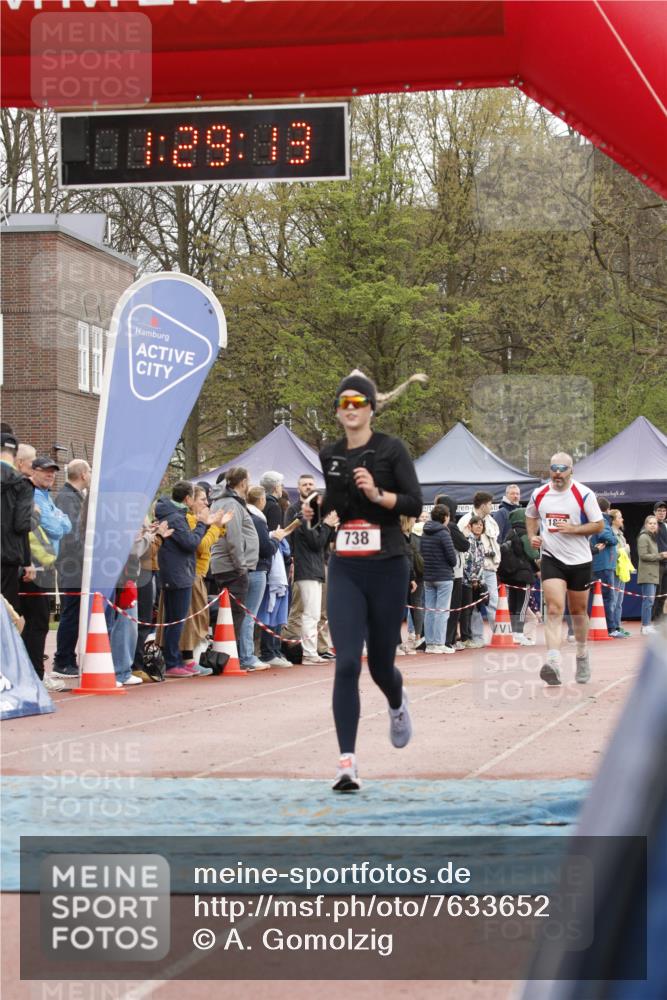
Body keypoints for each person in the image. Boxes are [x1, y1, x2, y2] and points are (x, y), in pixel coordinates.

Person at [318, 372, 422, 791]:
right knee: (346, 662)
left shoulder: (391, 449)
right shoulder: (330, 454)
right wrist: (315, 506)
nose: (351, 408)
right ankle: (347, 762)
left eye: (359, 401)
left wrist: (379, 495)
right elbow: (334, 504)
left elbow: (415, 500)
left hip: (387, 564)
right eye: (344, 401)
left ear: (371, 408)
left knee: (381, 666)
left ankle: (397, 702)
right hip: (345, 565)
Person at [525, 452, 604, 685]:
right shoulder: (539, 494)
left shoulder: (584, 493)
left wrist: (573, 529)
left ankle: (581, 655)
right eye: (553, 468)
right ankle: (553, 663)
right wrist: (533, 536)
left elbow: (599, 525)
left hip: (580, 560)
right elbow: (530, 516)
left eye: (562, 468)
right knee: (554, 609)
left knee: (578, 612)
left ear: (571, 471)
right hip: (552, 557)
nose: (557, 473)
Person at [154, 481, 217, 678]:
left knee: (176, 619)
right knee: (177, 620)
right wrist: (202, 524)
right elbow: (191, 543)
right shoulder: (176, 517)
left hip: (176, 571)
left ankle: (176, 660)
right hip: (178, 574)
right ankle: (173, 662)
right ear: (188, 499)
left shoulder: (173, 515)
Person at [209, 467, 259, 647]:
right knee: (234, 614)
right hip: (232, 567)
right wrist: (241, 567)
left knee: (227, 613)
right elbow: (234, 537)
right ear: (243, 482)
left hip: (225, 565)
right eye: (249, 480)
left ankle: (224, 654)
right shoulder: (231, 503)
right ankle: (227, 655)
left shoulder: (223, 501)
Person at [52, 459, 91, 679]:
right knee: (71, 612)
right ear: (83, 474)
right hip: (72, 564)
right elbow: (73, 533)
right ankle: (63, 659)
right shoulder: (68, 499)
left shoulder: (73, 497)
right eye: (90, 471)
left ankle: (67, 658)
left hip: (75, 563)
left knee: (75, 612)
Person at [0, 432, 34, 611]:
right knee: (7, 612)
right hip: (8, 556)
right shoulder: (22, 484)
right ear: (15, 457)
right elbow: (22, 525)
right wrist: (27, 561)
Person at [458, 492, 500, 632]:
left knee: (493, 601)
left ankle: (498, 633)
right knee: (474, 605)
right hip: (472, 570)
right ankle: (477, 637)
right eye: (489, 504)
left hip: (489, 568)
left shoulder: (491, 521)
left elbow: (495, 543)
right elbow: (462, 546)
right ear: (483, 505)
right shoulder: (465, 521)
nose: (491, 506)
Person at [498, 507, 539, 644]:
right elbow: (533, 554)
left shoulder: (509, 533)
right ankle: (519, 633)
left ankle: (512, 633)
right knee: (521, 606)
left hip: (509, 575)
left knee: (512, 605)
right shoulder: (525, 534)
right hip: (523, 575)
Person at [420, 504, 457, 654]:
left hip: (428, 576)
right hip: (443, 576)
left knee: (429, 610)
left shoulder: (424, 532)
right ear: (445, 517)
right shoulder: (444, 533)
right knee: (442, 611)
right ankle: (439, 643)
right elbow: (452, 558)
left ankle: (430, 643)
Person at [435, 493, 469, 651]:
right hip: (453, 572)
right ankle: (448, 639)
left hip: (436, 570)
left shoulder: (432, 525)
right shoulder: (451, 527)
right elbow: (464, 545)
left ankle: (436, 639)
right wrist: (466, 536)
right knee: (452, 607)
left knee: (435, 608)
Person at [588, 497, 617, 637]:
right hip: (603, 564)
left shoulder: (593, 518)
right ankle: (610, 628)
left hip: (599, 563)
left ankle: (604, 627)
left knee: (598, 596)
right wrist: (614, 538)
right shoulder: (603, 520)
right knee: (607, 597)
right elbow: (606, 535)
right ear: (608, 508)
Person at [459, 515, 487, 648]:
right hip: (466, 582)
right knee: (466, 610)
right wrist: (473, 578)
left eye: (481, 525)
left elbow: (480, 563)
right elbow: (467, 563)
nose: (479, 527)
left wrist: (480, 580)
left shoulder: (480, 543)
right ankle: (465, 637)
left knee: (473, 610)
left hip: (477, 582)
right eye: (476, 524)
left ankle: (470, 636)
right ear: (470, 526)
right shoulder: (468, 541)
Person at [636, 514, 667, 635]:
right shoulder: (644, 537)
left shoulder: (652, 537)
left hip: (652, 573)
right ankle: (645, 626)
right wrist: (661, 555)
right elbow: (643, 556)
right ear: (645, 525)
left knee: (650, 601)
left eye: (655, 523)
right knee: (648, 601)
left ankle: (647, 625)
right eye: (650, 523)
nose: (653, 525)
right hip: (647, 573)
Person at [608, 508, 632, 638]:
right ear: (613, 520)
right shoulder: (610, 533)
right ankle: (611, 627)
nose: (622, 519)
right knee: (614, 600)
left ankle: (617, 626)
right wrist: (625, 548)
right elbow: (614, 552)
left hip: (622, 570)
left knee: (619, 601)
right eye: (619, 517)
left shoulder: (621, 534)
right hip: (615, 570)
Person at [652, 500, 667, 621]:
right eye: (659, 510)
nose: (662, 513)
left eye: (664, 510)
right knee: (656, 593)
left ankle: (659, 619)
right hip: (657, 564)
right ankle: (653, 620)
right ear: (654, 512)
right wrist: (659, 555)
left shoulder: (666, 525)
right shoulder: (652, 525)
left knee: (664, 594)